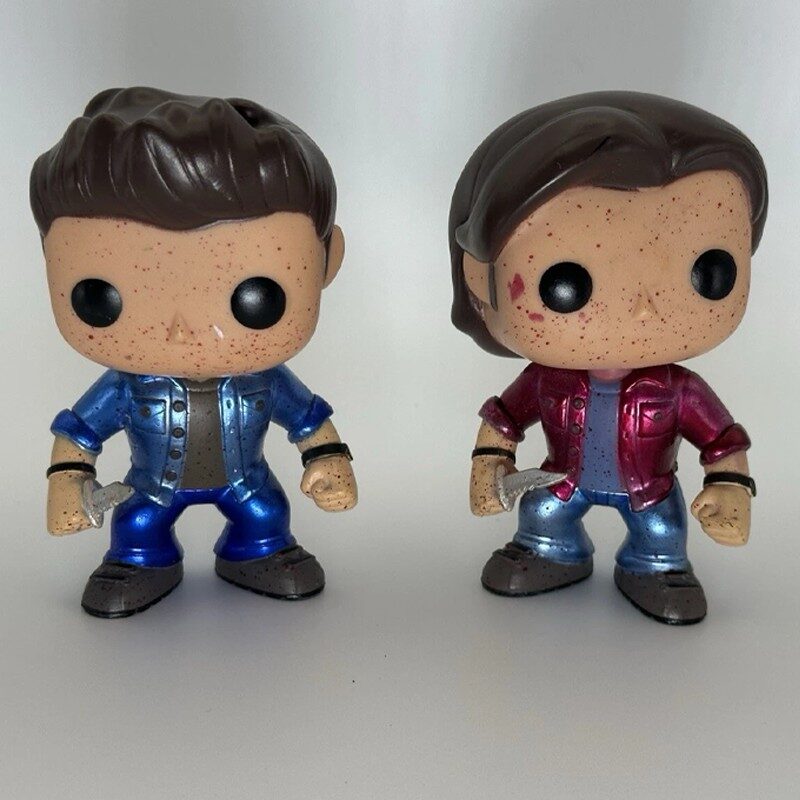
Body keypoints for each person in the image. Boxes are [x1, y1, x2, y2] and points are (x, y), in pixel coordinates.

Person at [32, 87, 357, 618]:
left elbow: (309, 420)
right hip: (151, 489)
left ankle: (260, 550)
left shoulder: (266, 378)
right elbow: (78, 432)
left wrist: (329, 460)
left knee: (267, 514)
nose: (180, 332)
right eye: (101, 296)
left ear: (327, 262)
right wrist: (68, 481)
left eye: (255, 297)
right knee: (136, 524)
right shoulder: (127, 384)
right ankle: (139, 561)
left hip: (247, 483)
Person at [449, 91, 767, 624]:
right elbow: (503, 419)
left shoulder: (679, 389)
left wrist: (731, 487)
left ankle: (658, 567)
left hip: (649, 491)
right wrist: (489, 462)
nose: (643, 308)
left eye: (709, 271)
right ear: (481, 277)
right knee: (541, 512)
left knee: (663, 529)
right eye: (567, 281)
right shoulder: (546, 379)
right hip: (562, 481)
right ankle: (549, 550)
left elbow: (722, 440)